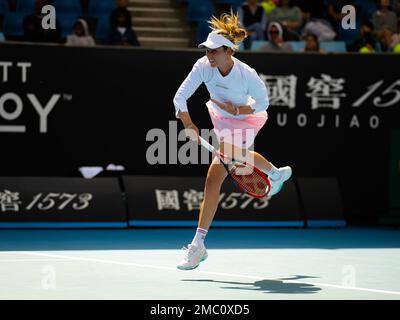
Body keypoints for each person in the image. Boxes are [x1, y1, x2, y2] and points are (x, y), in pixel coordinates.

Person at [173, 12, 292, 270]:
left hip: (247, 119)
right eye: (207, 50)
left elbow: (263, 103)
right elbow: (179, 98)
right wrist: (188, 124)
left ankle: (272, 172)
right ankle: (199, 245)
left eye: (215, 51)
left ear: (229, 51)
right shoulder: (203, 67)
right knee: (213, 179)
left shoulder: (247, 74)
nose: (209, 55)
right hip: (222, 119)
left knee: (228, 151)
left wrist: (239, 111)